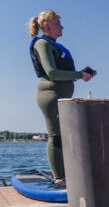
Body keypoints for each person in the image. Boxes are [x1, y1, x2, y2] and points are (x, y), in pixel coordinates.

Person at [28, 10, 95, 187]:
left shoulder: (54, 45)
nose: (62, 26)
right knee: (56, 136)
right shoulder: (42, 44)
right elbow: (51, 72)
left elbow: (64, 74)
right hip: (50, 95)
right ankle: (59, 178)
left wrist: (82, 73)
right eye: (58, 23)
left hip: (62, 95)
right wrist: (80, 75)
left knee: (65, 136)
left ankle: (66, 174)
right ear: (47, 26)